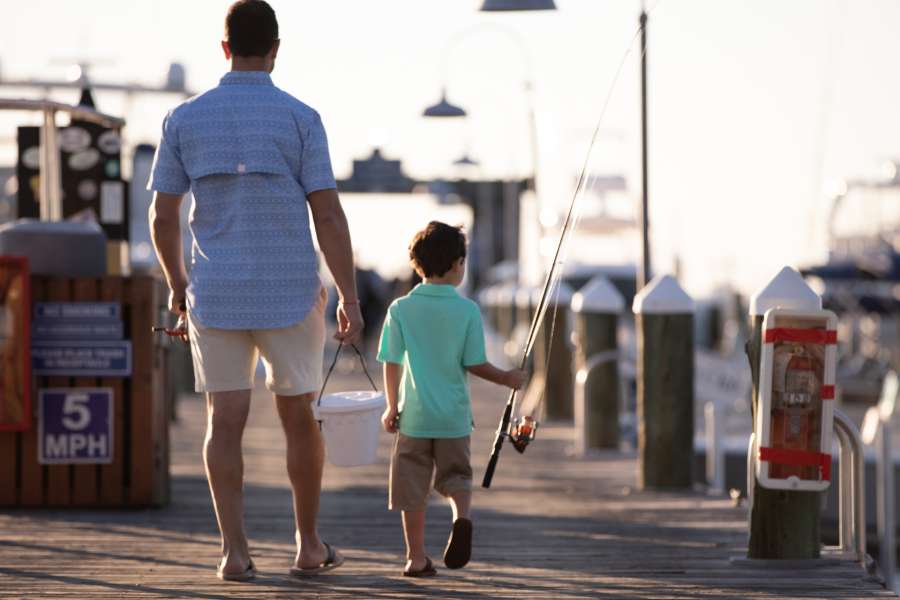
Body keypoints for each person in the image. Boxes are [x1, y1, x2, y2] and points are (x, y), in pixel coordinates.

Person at [148, 0, 362, 581]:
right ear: (275, 49)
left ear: (224, 49)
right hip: (291, 293)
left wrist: (176, 284)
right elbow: (329, 215)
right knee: (298, 419)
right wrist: (349, 294)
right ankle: (308, 544)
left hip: (215, 295)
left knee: (224, 421)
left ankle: (234, 553)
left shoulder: (184, 120)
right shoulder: (301, 118)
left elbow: (163, 216)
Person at [377, 221, 528, 577]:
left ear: (417, 265)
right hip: (454, 419)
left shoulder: (400, 309)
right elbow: (475, 363)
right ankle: (462, 517)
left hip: (413, 417)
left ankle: (415, 558)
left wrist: (390, 405)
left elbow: (391, 362)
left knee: (411, 488)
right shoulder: (468, 311)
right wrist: (507, 378)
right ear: (459, 264)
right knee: (457, 477)